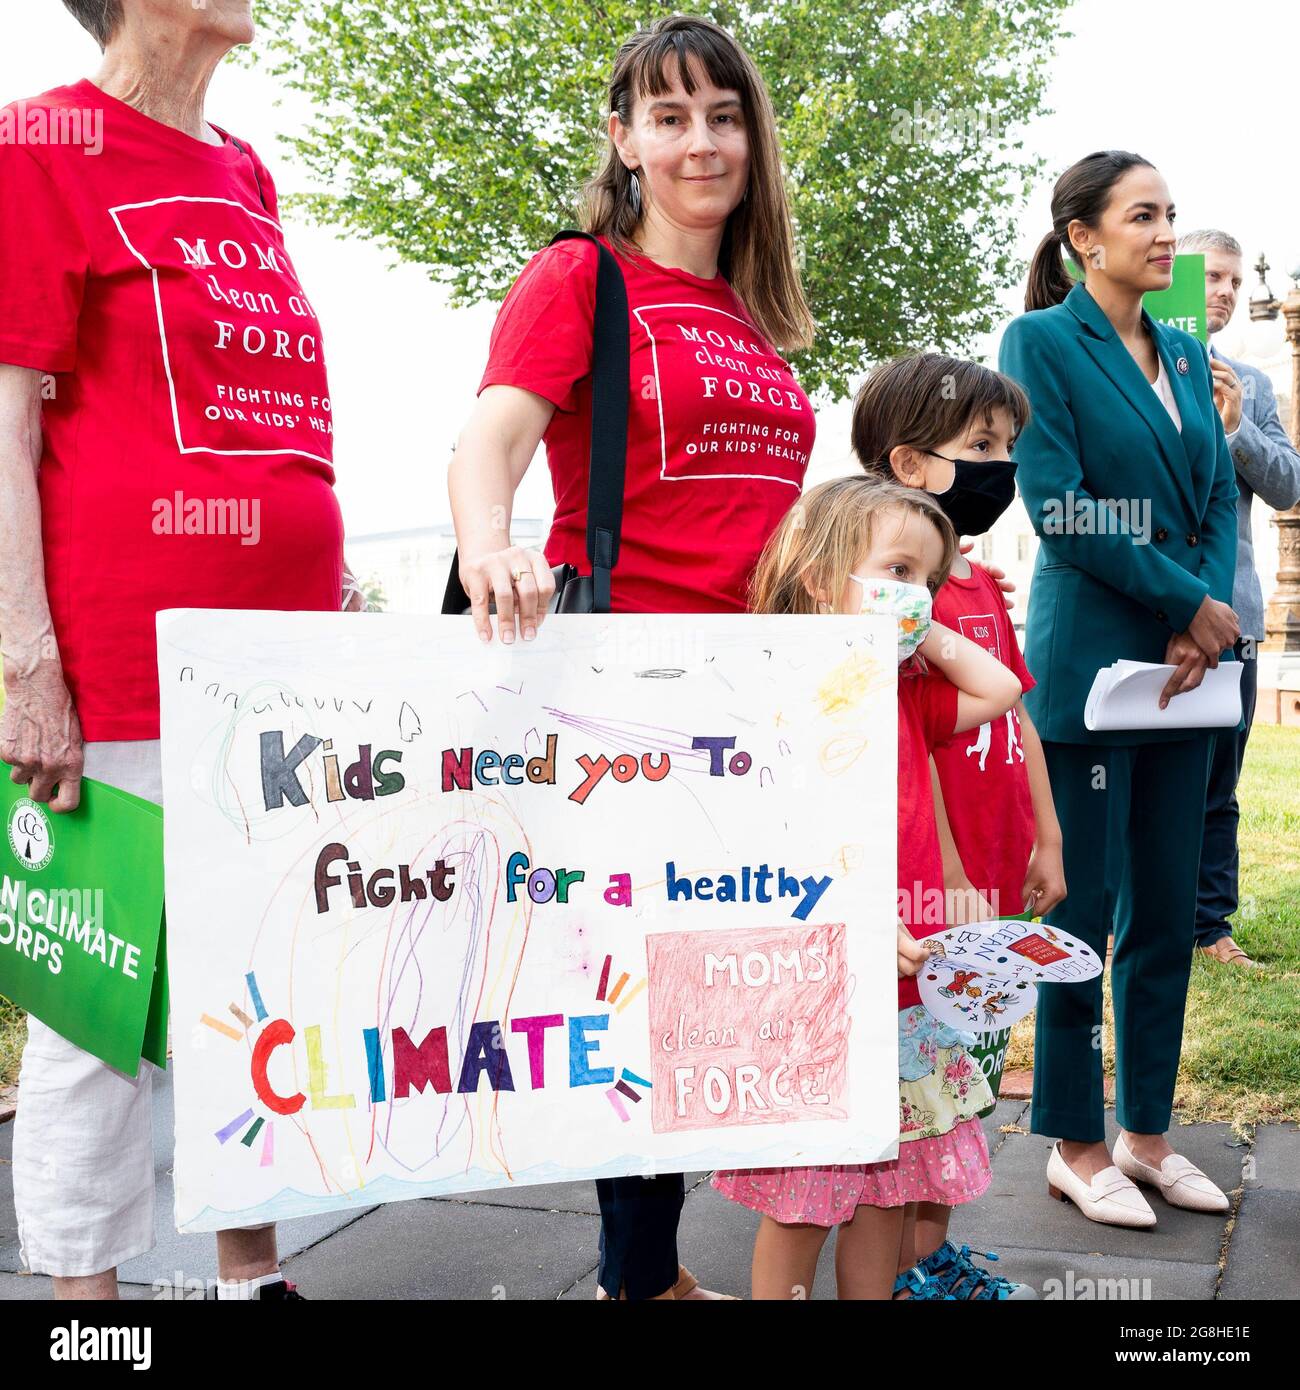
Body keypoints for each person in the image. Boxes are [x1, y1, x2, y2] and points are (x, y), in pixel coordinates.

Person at [447, 15, 816, 1299]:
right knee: (634, 985)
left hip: (756, 695)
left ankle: (650, 1269)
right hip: (624, 690)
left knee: (712, 979)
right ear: (625, 140)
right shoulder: (581, 278)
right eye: (668, 117)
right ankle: (641, 1276)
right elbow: (490, 437)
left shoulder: (750, 312)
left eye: (723, 114)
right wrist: (488, 543)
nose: (700, 140)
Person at [0, 0, 360, 1299]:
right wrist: (22, 657)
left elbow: (265, 406)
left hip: (272, 660)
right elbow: (6, 411)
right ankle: (88, 1313)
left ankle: (248, 1274)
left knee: (256, 975)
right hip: (120, 652)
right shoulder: (41, 143)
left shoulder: (241, 166)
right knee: (98, 1001)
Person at [998, 151, 1239, 1228]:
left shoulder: (1187, 353)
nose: (1165, 236)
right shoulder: (1040, 343)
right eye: (1143, 216)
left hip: (1184, 675)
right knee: (1082, 916)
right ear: (1081, 238)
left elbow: (1215, 489)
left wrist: (1199, 609)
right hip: (1095, 667)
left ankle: (1145, 1133)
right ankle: (1075, 1141)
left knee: (1162, 916)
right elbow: (1060, 506)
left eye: (1171, 216)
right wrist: (1185, 599)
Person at [712, 479, 1024, 1299]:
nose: (914, 593)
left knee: (887, 1196)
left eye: (927, 577)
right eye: (895, 570)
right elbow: (763, 845)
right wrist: (852, 914)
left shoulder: (909, 692)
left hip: (905, 999)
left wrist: (926, 632)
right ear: (820, 577)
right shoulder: (776, 698)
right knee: (803, 1203)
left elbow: (1002, 689)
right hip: (818, 994)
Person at [853, 352, 1062, 1297]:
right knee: (915, 1093)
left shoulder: (978, 589)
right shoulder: (885, 602)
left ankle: (928, 1256)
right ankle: (904, 1267)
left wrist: (1047, 837)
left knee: (962, 1084)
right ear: (909, 463)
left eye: (1009, 446)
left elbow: (1016, 711)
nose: (1002, 467)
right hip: (930, 892)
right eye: (981, 445)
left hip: (988, 874)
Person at [1176, 229, 1300, 968]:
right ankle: (1133, 915)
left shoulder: (1251, 383)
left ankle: (1211, 927)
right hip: (1150, 610)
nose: (1222, 291)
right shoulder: (1133, 369)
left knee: (1219, 782)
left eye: (1231, 279)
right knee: (1143, 776)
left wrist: (1237, 425)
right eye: (1208, 278)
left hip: (1235, 616)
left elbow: (1289, 484)